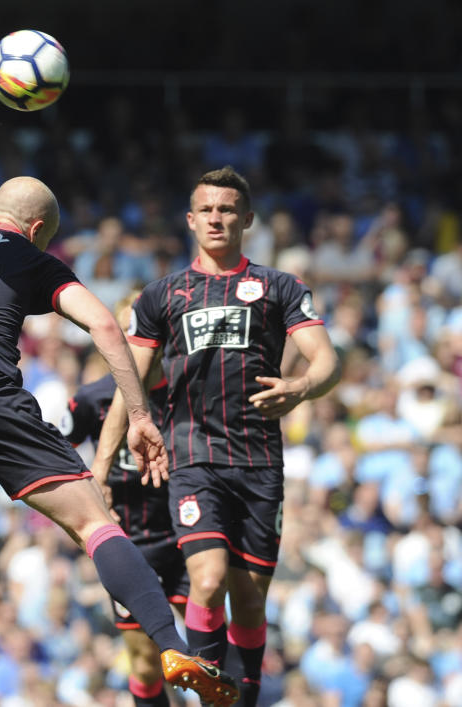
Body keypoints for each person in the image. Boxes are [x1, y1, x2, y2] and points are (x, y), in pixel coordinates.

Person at [0, 177, 239, 707]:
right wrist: (137, 414)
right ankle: (174, 647)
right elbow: (106, 327)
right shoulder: (30, 257)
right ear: (37, 229)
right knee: (94, 525)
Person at [93, 166, 340, 707]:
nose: (216, 218)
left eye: (227, 209)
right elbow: (126, 383)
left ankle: (242, 697)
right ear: (190, 220)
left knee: (249, 604)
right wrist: (102, 465)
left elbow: (328, 361)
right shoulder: (162, 295)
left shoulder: (281, 288)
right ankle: (210, 695)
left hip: (259, 461)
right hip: (193, 457)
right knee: (206, 580)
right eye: (206, 209)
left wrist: (300, 388)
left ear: (246, 219)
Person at [61, 291, 188, 707]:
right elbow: (57, 449)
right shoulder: (92, 398)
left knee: (204, 642)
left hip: (188, 534)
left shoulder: (187, 387)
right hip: (131, 543)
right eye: (129, 328)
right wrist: (92, 495)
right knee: (146, 664)